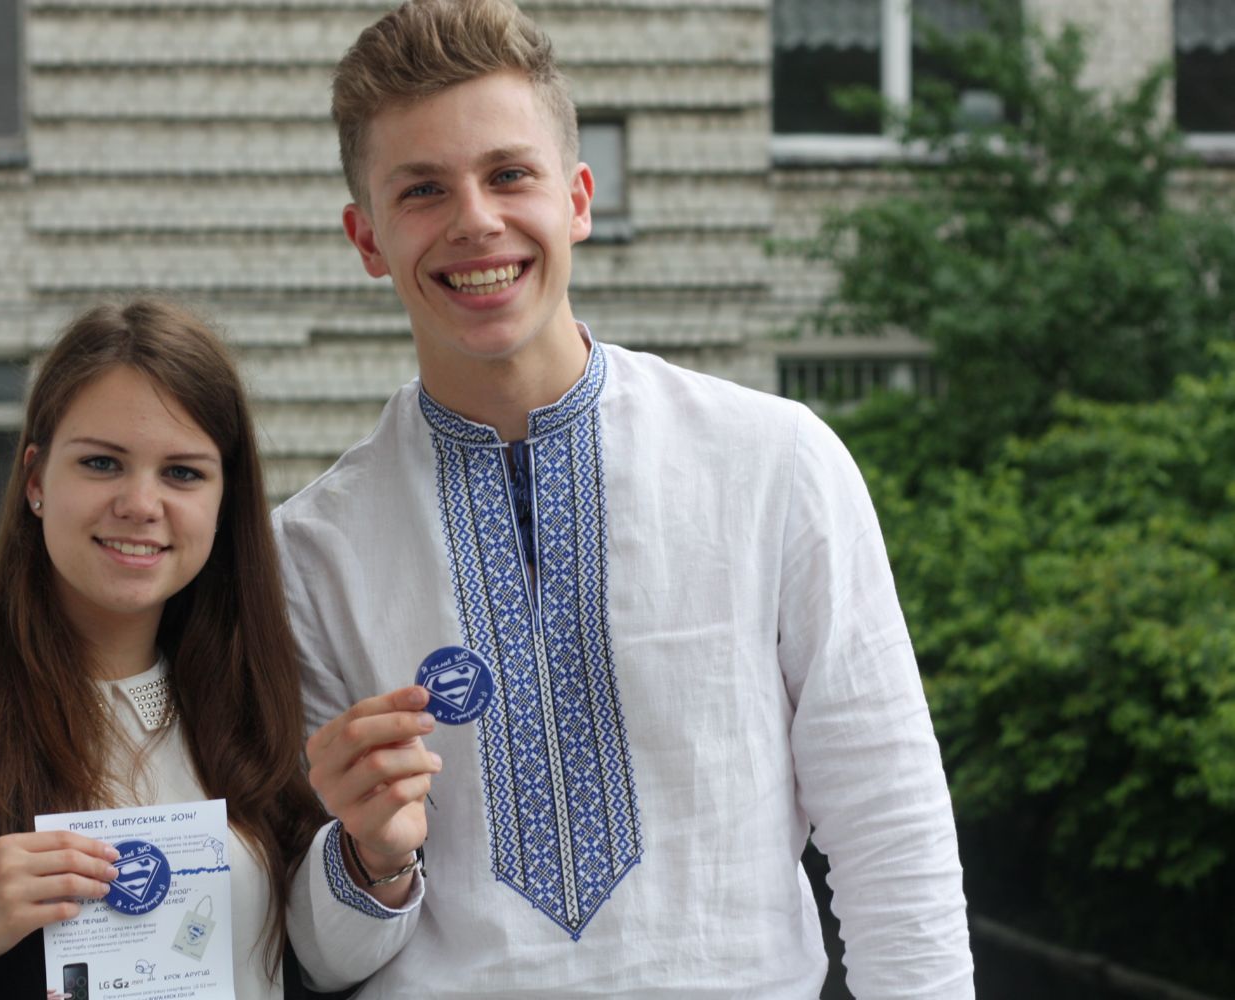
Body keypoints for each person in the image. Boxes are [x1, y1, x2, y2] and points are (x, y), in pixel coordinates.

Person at [273, 0, 976, 996]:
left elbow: (890, 825)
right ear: (367, 237)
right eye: (422, 189)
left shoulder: (774, 463)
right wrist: (367, 859)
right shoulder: (308, 551)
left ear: (578, 200)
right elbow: (317, 952)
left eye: (509, 174)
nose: (475, 219)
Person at [0, 300, 413, 999]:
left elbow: (312, 966)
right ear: (35, 480)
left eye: (182, 473)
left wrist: (375, 861)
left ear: (224, 499)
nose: (140, 503)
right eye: (102, 463)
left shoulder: (260, 699)